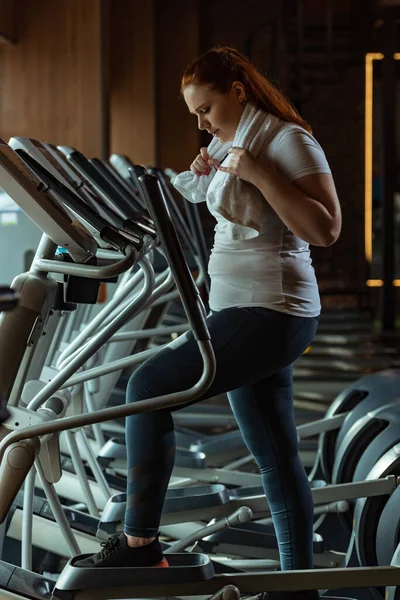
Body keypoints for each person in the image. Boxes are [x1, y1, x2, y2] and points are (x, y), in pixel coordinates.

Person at [76, 46, 341, 599]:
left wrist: (263, 175)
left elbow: (326, 229)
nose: (199, 122)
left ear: (237, 91)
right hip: (248, 309)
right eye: (194, 113)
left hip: (270, 309)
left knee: (147, 386)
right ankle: (300, 586)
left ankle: (141, 545)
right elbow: (237, 216)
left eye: (205, 109)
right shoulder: (230, 140)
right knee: (274, 453)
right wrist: (209, 172)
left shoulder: (286, 141)